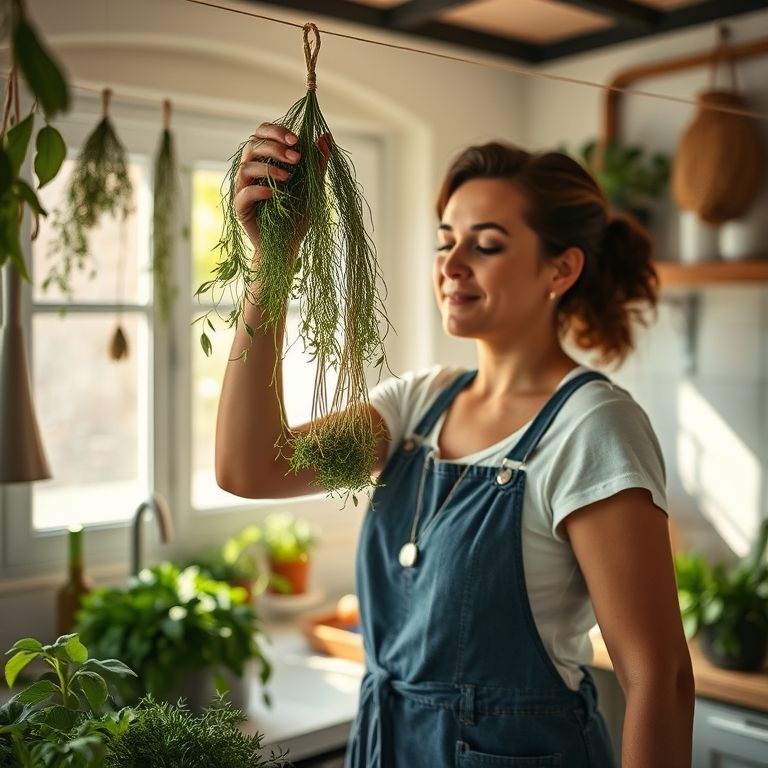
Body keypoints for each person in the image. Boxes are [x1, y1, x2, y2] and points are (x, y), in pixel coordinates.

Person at [216, 125, 695, 767]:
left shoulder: (592, 426)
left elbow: (659, 678)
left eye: (487, 244)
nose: (452, 263)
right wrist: (273, 260)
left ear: (561, 267)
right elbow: (250, 466)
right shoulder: (419, 403)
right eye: (446, 241)